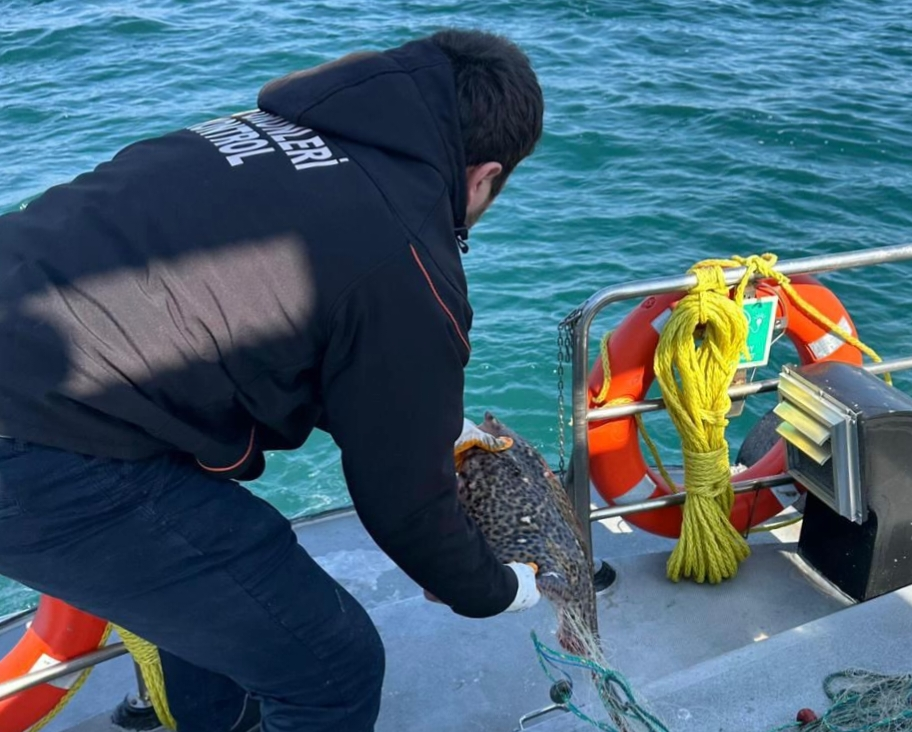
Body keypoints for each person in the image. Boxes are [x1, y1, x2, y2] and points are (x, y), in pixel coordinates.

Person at [0, 27, 543, 732]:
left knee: (224, 607)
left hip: (45, 371)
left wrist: (431, 422)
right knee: (332, 667)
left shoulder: (252, 134)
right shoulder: (407, 250)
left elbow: (237, 312)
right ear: (485, 177)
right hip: (37, 441)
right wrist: (496, 591)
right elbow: (404, 505)